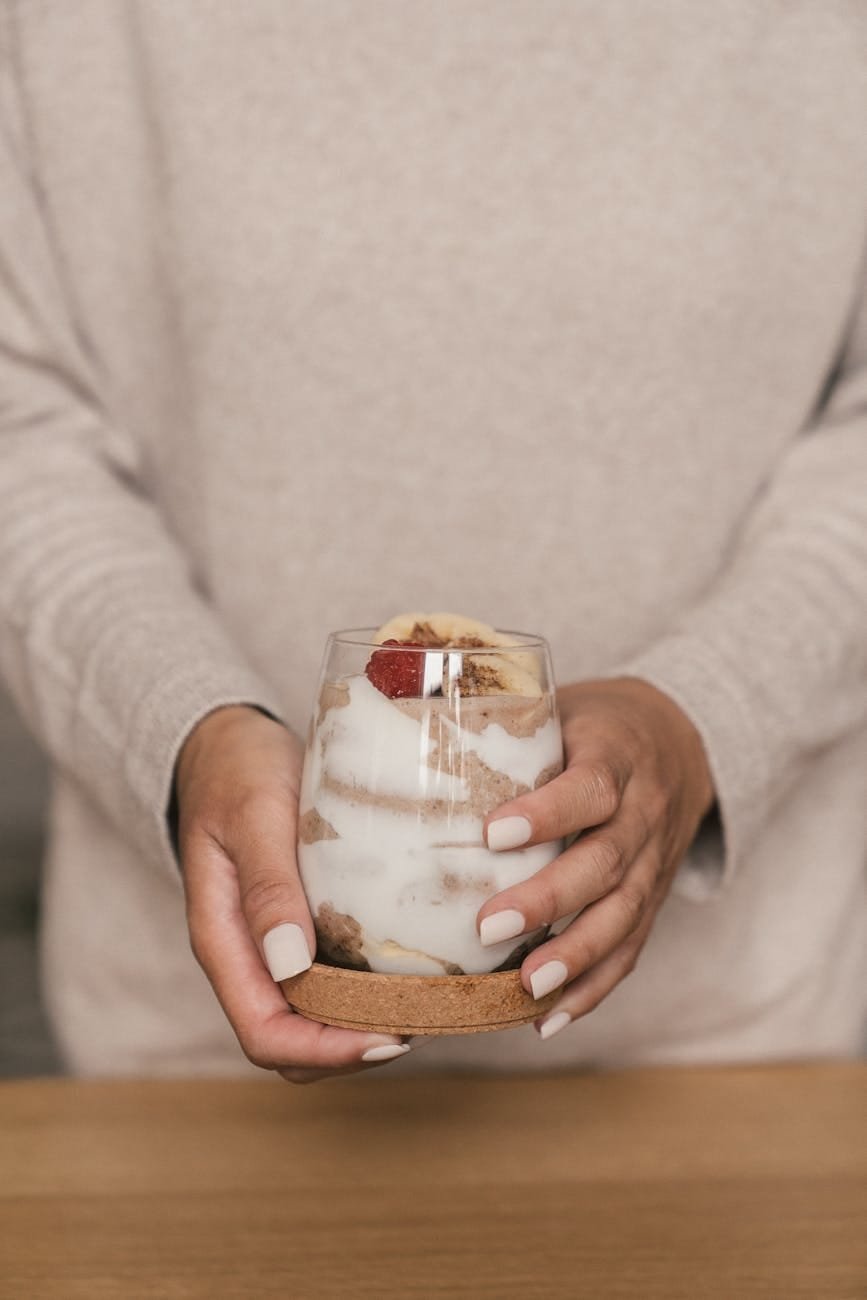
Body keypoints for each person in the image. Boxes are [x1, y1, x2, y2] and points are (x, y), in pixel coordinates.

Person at [1, 1, 864, 1084]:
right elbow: (21, 423)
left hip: (730, 1060)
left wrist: (706, 719)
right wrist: (180, 728)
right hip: (193, 1070)